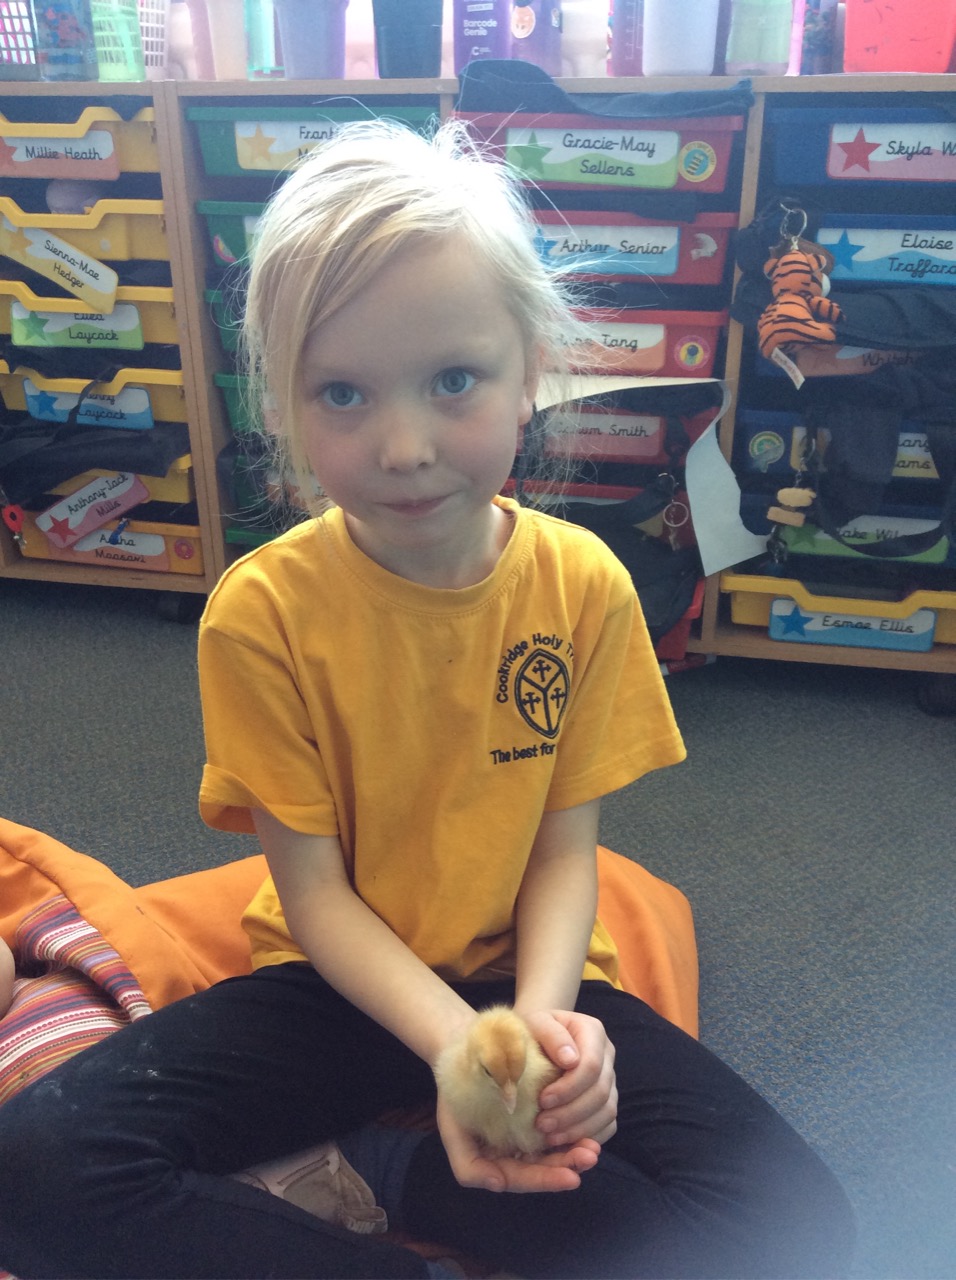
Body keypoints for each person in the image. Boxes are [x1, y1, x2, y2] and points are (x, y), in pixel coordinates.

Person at [0, 119, 854, 1280]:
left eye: (452, 380)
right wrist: (455, 1047)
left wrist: (540, 1031)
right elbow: (314, 894)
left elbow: (563, 852)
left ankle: (394, 1171)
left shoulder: (582, 584)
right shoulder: (261, 612)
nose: (401, 446)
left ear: (529, 371)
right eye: (341, 393)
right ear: (283, 405)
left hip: (523, 975)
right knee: (33, 1168)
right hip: (337, 986)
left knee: (801, 1223)